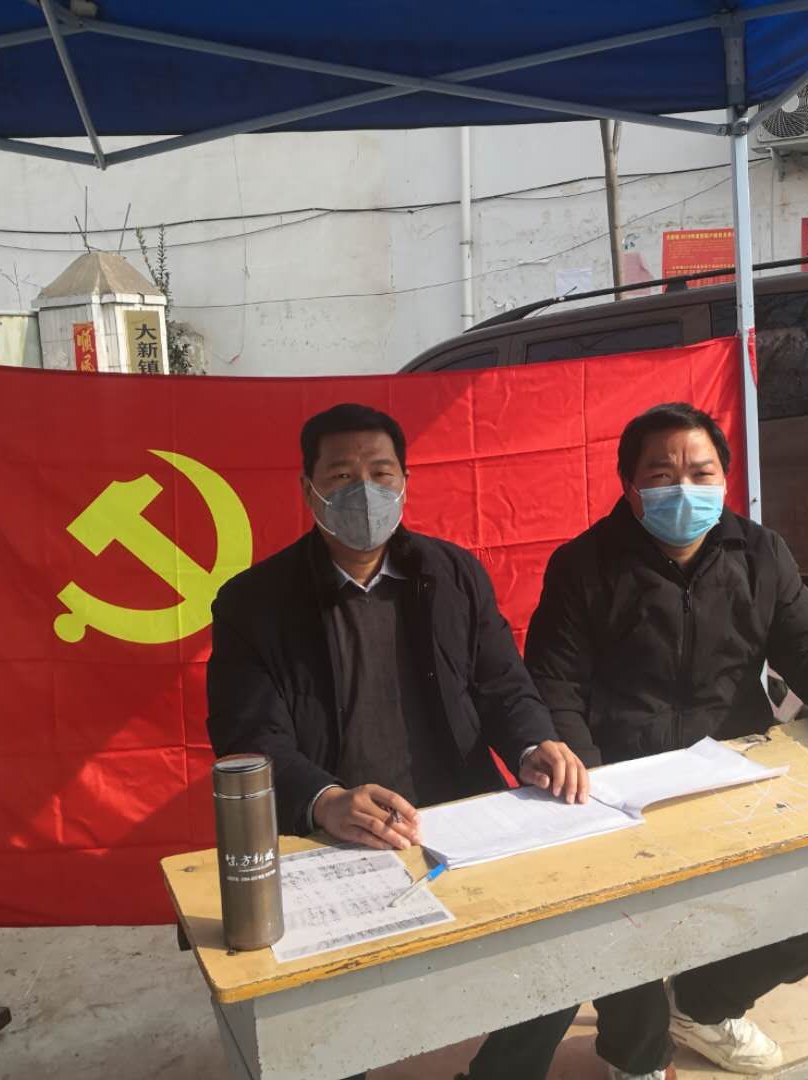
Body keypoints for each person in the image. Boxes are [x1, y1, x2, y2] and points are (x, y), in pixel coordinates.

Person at [518, 402, 808, 1080]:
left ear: (724, 479)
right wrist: (588, 781)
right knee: (629, 931)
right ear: (630, 488)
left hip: (735, 767)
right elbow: (555, 684)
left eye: (700, 473)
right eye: (661, 475)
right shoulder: (583, 565)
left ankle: (702, 1005)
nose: (683, 489)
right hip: (623, 782)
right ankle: (635, 1057)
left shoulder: (760, 553)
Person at [206, 403, 589, 1080]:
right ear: (308, 489)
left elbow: (503, 684)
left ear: (405, 483)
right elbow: (249, 735)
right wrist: (325, 799)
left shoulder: (454, 574)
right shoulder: (254, 602)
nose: (365, 490)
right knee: (324, 1027)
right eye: (342, 475)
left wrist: (535, 744)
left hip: (458, 822)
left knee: (564, 954)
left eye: (381, 473)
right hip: (335, 839)